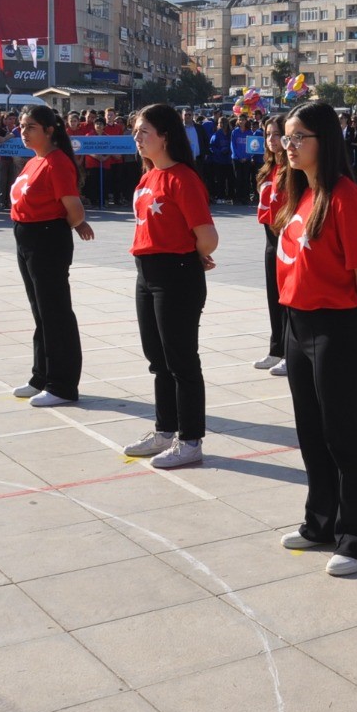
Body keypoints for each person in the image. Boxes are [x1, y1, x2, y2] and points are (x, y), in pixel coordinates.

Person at [271, 102, 357, 576]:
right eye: (286, 137)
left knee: (343, 434)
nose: (288, 145)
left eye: (299, 138)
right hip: (298, 323)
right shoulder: (298, 192)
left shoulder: (344, 197)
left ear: (325, 142)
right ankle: (321, 522)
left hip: (336, 326)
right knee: (311, 431)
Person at [123, 103, 219, 469]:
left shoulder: (183, 178)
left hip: (175, 273)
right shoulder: (148, 177)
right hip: (146, 272)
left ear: (166, 136)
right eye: (136, 131)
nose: (138, 138)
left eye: (144, 131)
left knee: (181, 360)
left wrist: (193, 254)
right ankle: (165, 429)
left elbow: (208, 237)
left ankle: (191, 439)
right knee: (157, 358)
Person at [9, 105, 95, 407]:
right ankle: (41, 376)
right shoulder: (35, 160)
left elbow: (74, 208)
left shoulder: (56, 162)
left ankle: (62, 384)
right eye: (21, 125)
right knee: (40, 312)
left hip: (47, 238)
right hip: (27, 237)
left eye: (30, 126)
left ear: (49, 130)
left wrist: (77, 225)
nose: (23, 131)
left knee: (55, 313)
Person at [253, 115, 289, 374]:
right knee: (273, 298)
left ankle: (291, 351)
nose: (272, 140)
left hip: (288, 240)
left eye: (277, 134)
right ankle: (276, 349)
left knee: (289, 301)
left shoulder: (294, 169)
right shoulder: (268, 167)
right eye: (268, 135)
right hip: (269, 240)